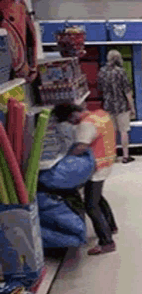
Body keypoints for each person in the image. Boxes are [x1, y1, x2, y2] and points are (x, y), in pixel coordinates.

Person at [52, 103, 117, 255]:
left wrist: (65, 159)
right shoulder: (100, 114)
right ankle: (111, 226)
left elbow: (81, 146)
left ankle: (107, 242)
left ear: (72, 115)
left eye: (69, 121)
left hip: (96, 166)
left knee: (91, 205)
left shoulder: (86, 124)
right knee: (98, 197)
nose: (71, 124)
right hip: (106, 161)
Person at [98, 49, 136, 164]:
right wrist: (132, 107)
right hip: (121, 106)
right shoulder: (121, 72)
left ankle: (112, 156)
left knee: (111, 132)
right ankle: (125, 156)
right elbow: (127, 92)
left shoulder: (102, 71)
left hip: (108, 106)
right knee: (124, 131)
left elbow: (100, 89)